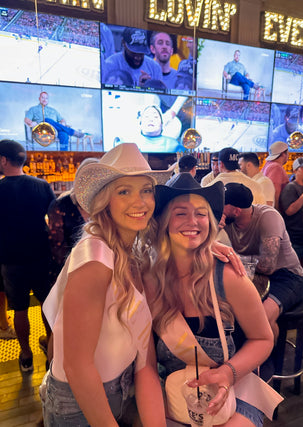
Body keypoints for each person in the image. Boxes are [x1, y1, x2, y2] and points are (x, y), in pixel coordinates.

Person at [41, 143, 173, 426]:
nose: (139, 202)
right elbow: (77, 367)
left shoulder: (130, 250)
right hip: (79, 400)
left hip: (118, 386)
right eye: (124, 191)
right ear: (105, 200)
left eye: (146, 190)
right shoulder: (94, 259)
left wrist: (211, 250)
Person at [144, 173, 279, 427]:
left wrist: (227, 373)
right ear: (163, 221)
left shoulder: (228, 278)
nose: (192, 221)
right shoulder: (149, 278)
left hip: (235, 393)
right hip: (172, 394)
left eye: (201, 213)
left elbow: (263, 339)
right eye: (180, 213)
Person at [222, 183, 303, 341]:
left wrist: (234, 259)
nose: (217, 208)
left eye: (222, 204)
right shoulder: (226, 221)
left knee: (261, 319)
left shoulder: (268, 217)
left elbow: (267, 267)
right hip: (253, 277)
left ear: (236, 210)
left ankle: (265, 362)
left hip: (286, 277)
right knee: (229, 313)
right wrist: (214, 228)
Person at [0, 140, 55, 372]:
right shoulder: (42, 186)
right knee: (47, 305)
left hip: (11, 259)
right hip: (42, 255)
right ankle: (52, 352)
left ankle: (25, 356)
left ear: (3, 160)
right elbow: (54, 222)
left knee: (20, 310)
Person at [47, 157, 99, 285]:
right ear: (79, 181)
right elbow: (57, 248)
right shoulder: (60, 205)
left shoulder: (106, 205)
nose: (92, 184)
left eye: (97, 180)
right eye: (88, 179)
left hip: (102, 272)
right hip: (68, 275)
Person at [279, 157, 303, 271]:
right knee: (296, 271)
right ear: (296, 170)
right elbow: (289, 211)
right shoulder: (291, 188)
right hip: (296, 238)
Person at [262, 141, 289, 210]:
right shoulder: (276, 167)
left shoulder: (268, 164)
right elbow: (275, 191)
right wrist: (276, 211)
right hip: (273, 209)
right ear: (283, 154)